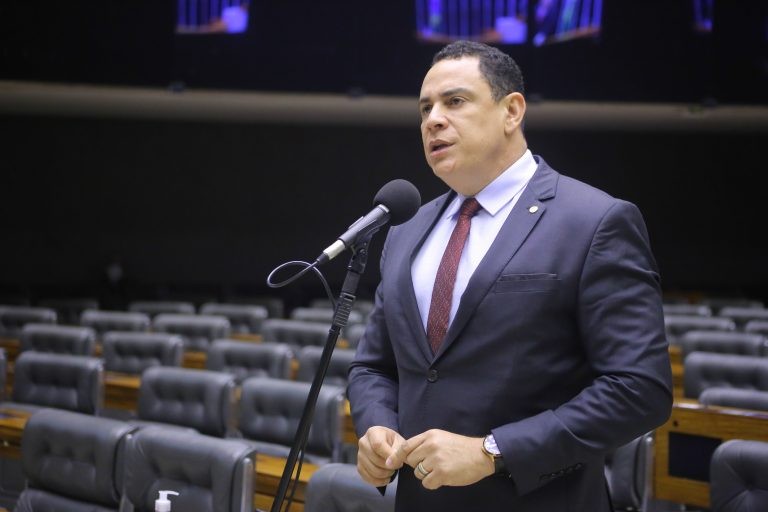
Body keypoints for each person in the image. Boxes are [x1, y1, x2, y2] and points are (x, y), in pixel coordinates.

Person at [347, 40, 673, 512]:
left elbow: (640, 389)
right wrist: (376, 426)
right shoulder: (407, 228)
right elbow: (374, 365)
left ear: (512, 111)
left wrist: (492, 451)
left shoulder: (595, 221)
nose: (433, 119)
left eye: (454, 101)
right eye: (425, 108)